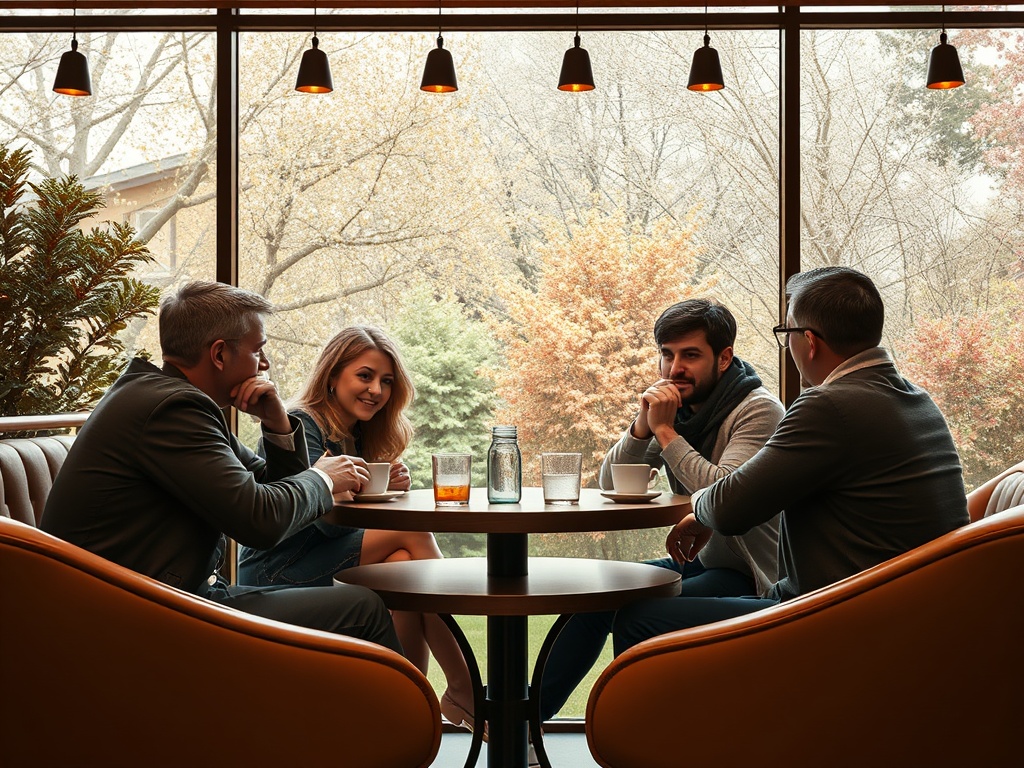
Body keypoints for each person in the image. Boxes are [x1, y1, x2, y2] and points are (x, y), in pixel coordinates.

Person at [612, 266, 970, 655]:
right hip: (905, 605)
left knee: (639, 619)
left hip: (842, 613)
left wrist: (700, 503)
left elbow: (729, 507)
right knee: (632, 602)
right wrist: (705, 509)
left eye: (787, 335)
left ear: (810, 342)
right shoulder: (916, 399)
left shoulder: (829, 404)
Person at [41, 281, 401, 655]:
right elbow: (259, 520)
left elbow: (264, 485)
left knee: (358, 604)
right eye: (258, 351)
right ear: (219, 354)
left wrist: (278, 426)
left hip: (152, 600)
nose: (264, 364)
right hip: (135, 618)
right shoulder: (173, 411)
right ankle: (408, 716)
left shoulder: (167, 399)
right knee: (364, 609)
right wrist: (324, 477)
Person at [539, 298, 786, 722]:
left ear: (724, 358)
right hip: (715, 562)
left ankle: (638, 734)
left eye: (691, 355)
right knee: (596, 595)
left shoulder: (758, 410)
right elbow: (609, 482)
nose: (675, 369)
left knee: (634, 613)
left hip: (758, 577)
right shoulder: (681, 411)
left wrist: (665, 430)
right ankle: (519, 725)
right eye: (667, 355)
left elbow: (720, 492)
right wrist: (641, 425)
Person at [237, 326, 478, 737]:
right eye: (364, 376)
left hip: (317, 558)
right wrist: (366, 490)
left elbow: (346, 515)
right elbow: (316, 522)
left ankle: (408, 710)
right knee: (413, 538)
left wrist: (380, 486)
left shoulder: (358, 433)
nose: (377, 390)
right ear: (333, 375)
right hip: (276, 568)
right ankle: (465, 689)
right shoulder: (300, 423)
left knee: (404, 568)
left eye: (386, 381)